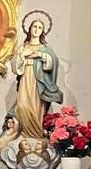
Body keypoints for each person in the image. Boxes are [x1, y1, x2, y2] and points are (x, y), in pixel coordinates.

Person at [10, 11, 62, 139]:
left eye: (40, 28)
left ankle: (36, 135)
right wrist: (23, 55)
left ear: (42, 31)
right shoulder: (23, 47)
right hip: (25, 78)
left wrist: (42, 56)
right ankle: (24, 134)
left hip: (38, 82)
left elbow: (53, 62)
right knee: (22, 106)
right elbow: (15, 65)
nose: (36, 29)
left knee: (36, 109)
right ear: (29, 29)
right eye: (35, 26)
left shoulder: (45, 49)